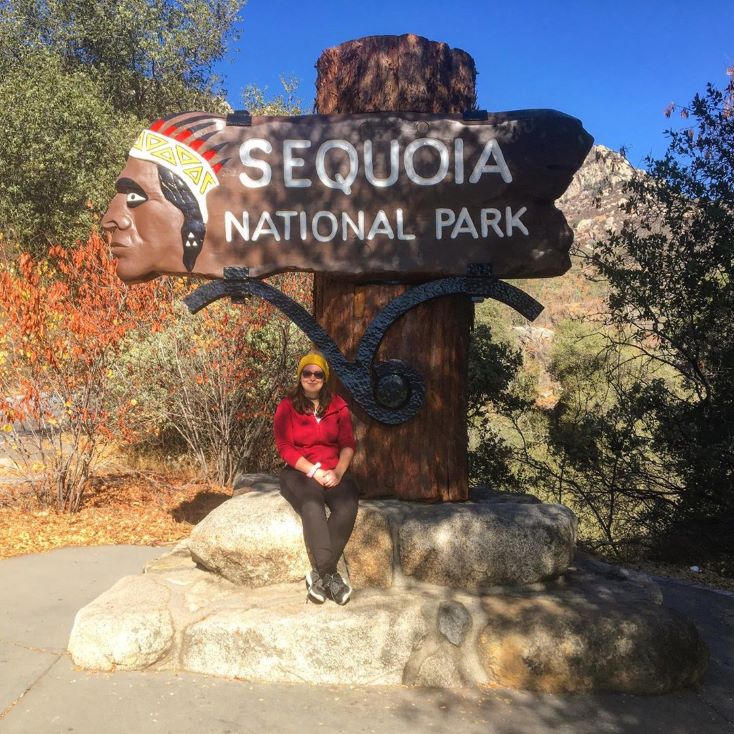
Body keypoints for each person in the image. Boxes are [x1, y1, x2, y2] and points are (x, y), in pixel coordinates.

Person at [273, 352, 359, 605]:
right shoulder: (287, 407)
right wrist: (313, 471)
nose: (312, 378)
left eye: (318, 374)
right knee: (312, 506)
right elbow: (284, 447)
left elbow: (348, 444)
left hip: (334, 471)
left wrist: (339, 472)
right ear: (300, 377)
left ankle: (319, 576)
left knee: (347, 506)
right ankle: (330, 575)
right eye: (307, 373)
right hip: (300, 472)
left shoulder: (338, 406)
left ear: (325, 378)